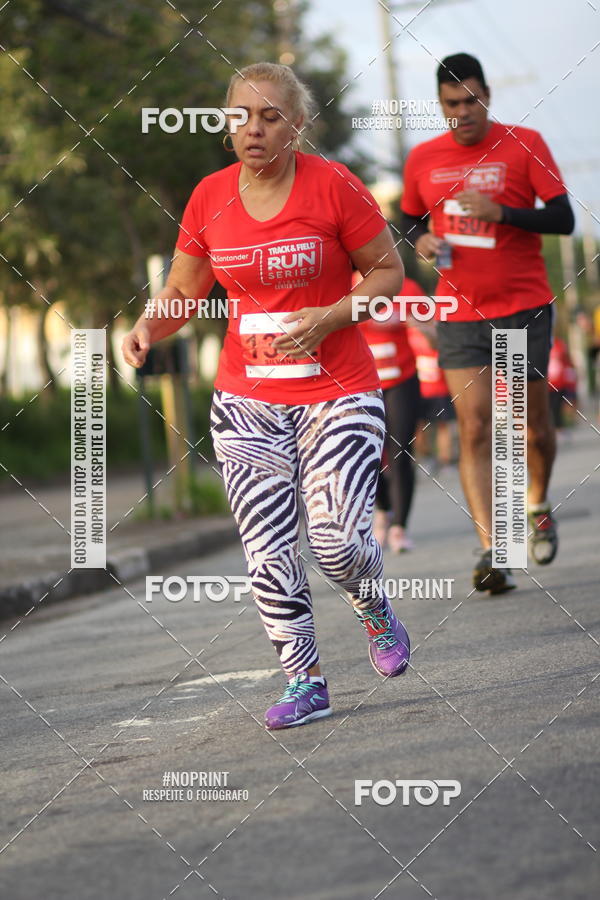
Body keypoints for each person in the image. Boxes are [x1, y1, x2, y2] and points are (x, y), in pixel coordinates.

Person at [122, 62, 410, 730]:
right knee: (267, 546)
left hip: (338, 390)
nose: (254, 129)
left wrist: (333, 315)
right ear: (225, 124)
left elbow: (388, 272)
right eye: (241, 116)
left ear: (298, 125)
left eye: (270, 116)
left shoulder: (334, 185)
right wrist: (146, 325)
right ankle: (305, 679)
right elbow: (185, 292)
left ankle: (372, 604)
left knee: (337, 541)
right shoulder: (209, 197)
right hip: (247, 398)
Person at [401, 52, 574, 594]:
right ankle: (493, 550)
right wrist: (419, 238)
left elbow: (563, 219)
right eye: (452, 104)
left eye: (472, 100)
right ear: (441, 106)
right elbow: (407, 216)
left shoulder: (526, 144)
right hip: (460, 311)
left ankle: (538, 504)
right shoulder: (422, 159)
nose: (463, 112)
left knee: (530, 425)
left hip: (521, 305)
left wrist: (503, 215)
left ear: (488, 96)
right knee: (475, 427)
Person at [357, 273, 421, 552]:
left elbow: (432, 334)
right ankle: (383, 509)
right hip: (359, 383)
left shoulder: (405, 287)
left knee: (400, 451)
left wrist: (417, 323)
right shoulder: (342, 284)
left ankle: (400, 527)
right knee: (367, 453)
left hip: (401, 379)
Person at [407, 323, 456, 472]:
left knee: (442, 426)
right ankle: (427, 458)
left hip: (439, 389)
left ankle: (444, 461)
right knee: (421, 427)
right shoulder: (411, 333)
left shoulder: (437, 332)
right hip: (421, 390)